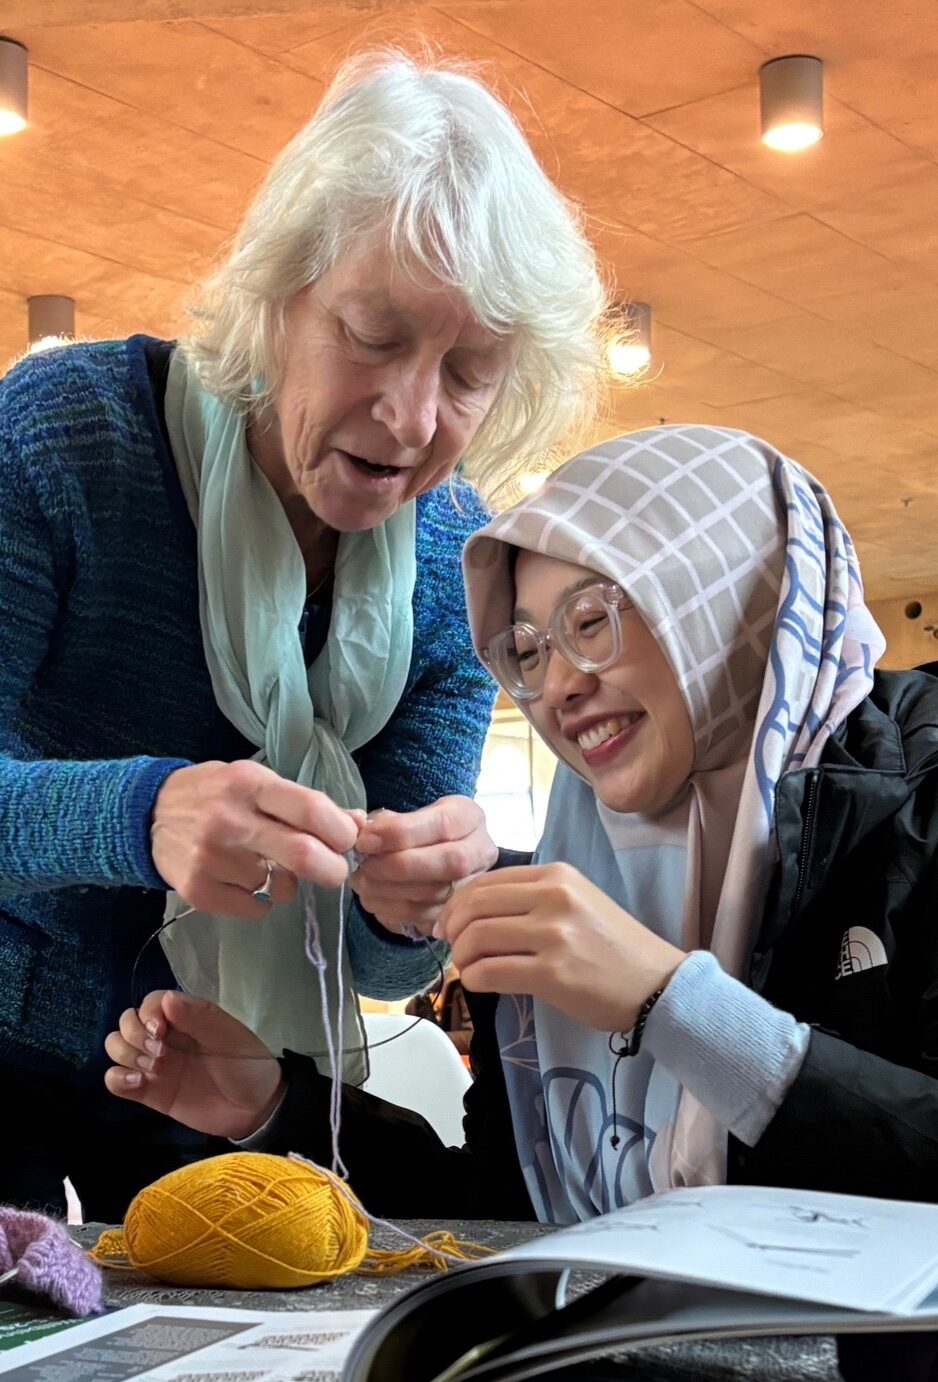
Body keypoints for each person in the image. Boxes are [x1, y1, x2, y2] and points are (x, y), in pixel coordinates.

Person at [0, 52, 609, 1217]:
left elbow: (385, 969)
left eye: (469, 373)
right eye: (373, 335)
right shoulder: (64, 444)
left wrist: (417, 903)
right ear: (276, 298)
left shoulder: (456, 568)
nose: (414, 418)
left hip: (223, 1068)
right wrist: (143, 813)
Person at [104, 425, 938, 1220]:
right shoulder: (574, 866)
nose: (557, 687)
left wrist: (675, 1004)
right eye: (529, 651)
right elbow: (505, 1205)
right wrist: (273, 1104)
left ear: (729, 598)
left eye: (591, 623)